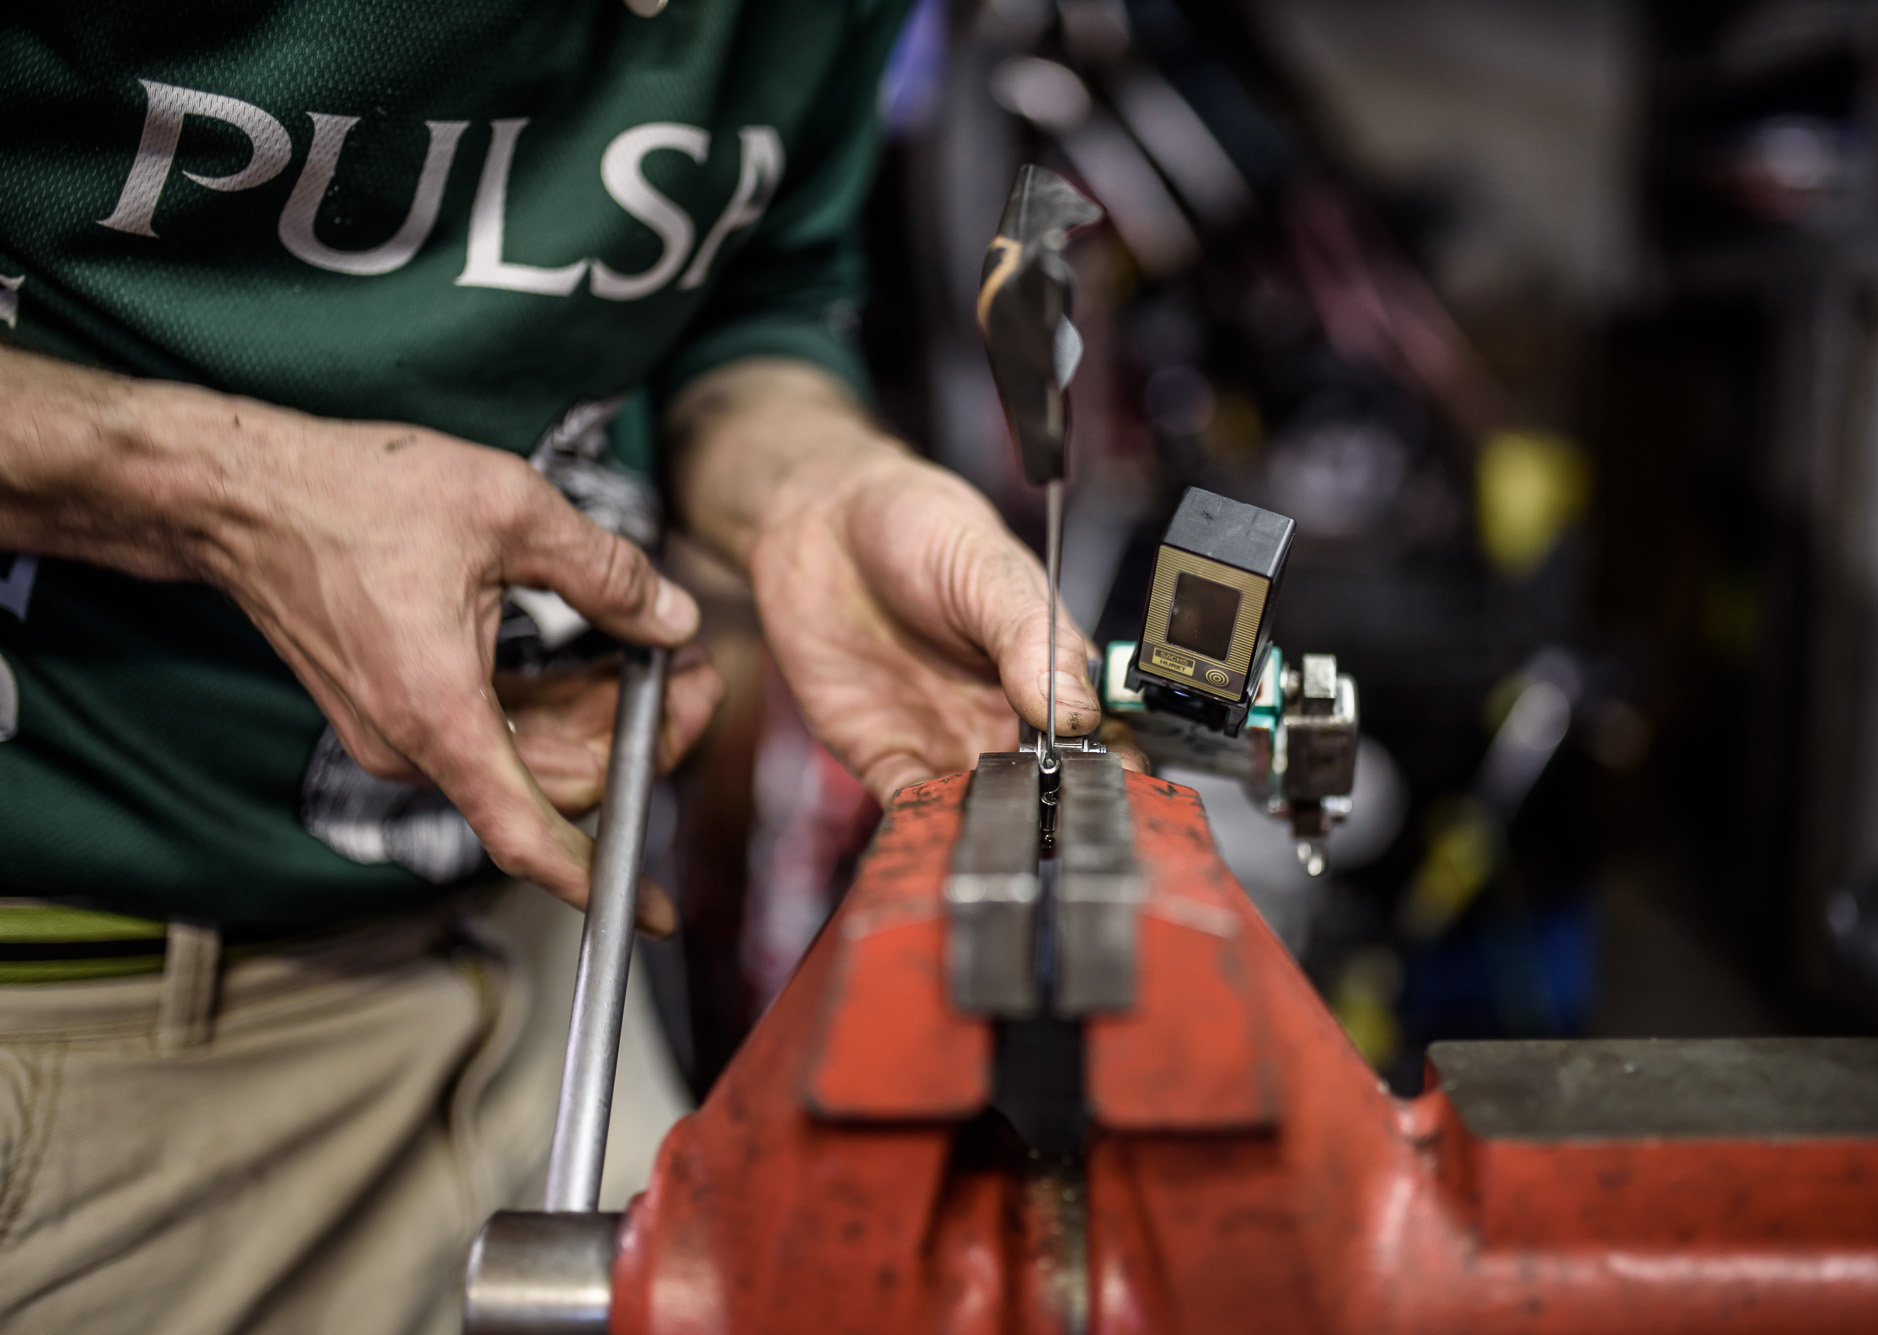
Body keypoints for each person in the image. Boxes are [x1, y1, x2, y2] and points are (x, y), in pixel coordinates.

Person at [0, 3, 1100, 1331]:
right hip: (85, 1031)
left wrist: (816, 483)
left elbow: (753, 299)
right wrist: (222, 497)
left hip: (553, 969)